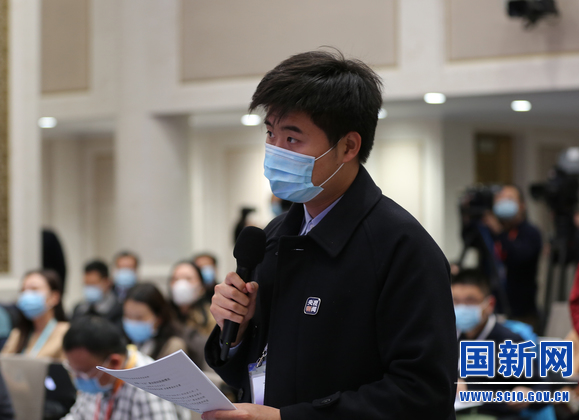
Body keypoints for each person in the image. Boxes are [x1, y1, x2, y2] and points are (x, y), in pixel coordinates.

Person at [203, 50, 457, 420]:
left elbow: (423, 393)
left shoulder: (401, 246)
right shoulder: (275, 236)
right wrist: (238, 331)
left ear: (348, 147)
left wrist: (287, 419)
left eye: (292, 139)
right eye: (270, 133)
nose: (275, 151)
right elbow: (260, 369)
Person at [452, 269, 552, 419]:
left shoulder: (509, 342)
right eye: (455, 301)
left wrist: (529, 393)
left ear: (489, 304)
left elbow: (543, 387)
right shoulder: (447, 338)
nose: (462, 308)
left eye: (470, 301)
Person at [62, 316, 186, 420]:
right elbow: (77, 416)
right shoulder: (95, 376)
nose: (77, 378)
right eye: (73, 371)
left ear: (114, 363)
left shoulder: (149, 389)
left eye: (83, 373)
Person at [482, 184, 542, 326]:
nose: (504, 202)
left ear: (522, 205)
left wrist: (499, 232)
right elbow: (468, 238)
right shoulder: (489, 232)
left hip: (522, 311)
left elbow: (519, 257)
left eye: (509, 199)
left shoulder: (530, 232)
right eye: (500, 198)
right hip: (492, 309)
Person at [2, 269, 69, 360]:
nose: (27, 295)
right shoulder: (17, 334)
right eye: (23, 290)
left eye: (34, 289)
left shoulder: (66, 333)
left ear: (54, 297)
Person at [122, 283, 188, 361]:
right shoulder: (123, 341)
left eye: (139, 318)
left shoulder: (173, 346)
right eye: (128, 316)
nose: (132, 323)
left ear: (159, 318)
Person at [71, 260, 123, 326]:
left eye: (93, 284)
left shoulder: (118, 309)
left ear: (107, 282)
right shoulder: (79, 309)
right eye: (86, 284)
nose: (89, 288)